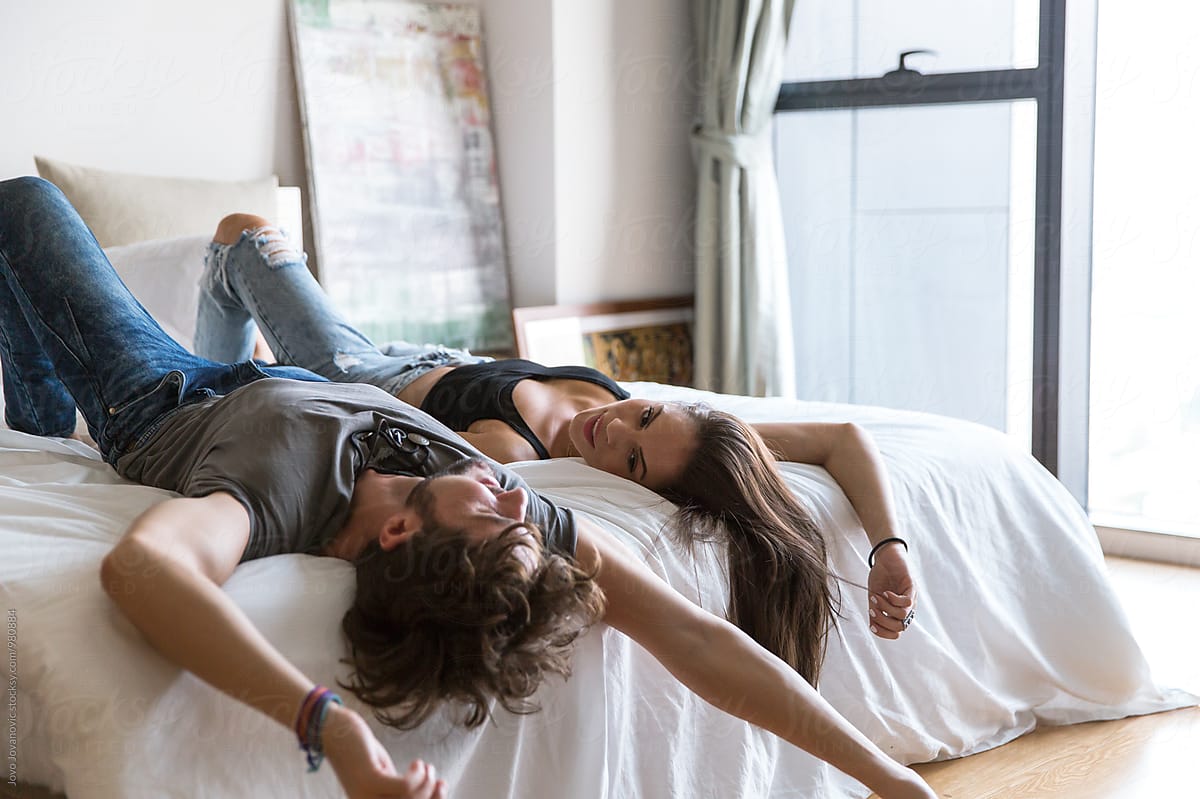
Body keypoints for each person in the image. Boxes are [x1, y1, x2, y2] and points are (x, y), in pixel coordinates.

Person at [1, 177, 936, 799]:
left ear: (402, 536)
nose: (515, 498)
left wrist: (331, 730)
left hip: (161, 396)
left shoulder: (270, 495)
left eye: (495, 516)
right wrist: (889, 780)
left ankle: (40, 411)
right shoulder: (493, 495)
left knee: (25, 204)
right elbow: (697, 639)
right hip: (282, 376)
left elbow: (142, 570)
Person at [196, 214, 920, 681]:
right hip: (441, 353)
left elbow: (453, 480)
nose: (616, 429)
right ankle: (226, 371)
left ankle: (210, 389)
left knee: (245, 236)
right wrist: (890, 547)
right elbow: (839, 437)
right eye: (646, 415)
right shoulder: (679, 434)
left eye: (631, 463)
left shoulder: (509, 452)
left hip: (360, 375)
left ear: (641, 487)